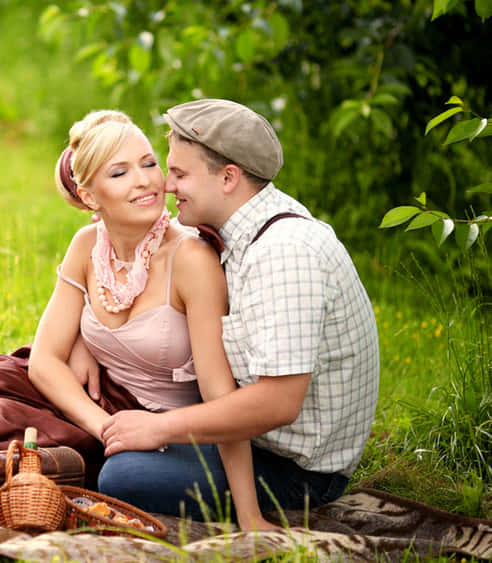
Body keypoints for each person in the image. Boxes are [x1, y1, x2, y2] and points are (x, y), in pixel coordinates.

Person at [93, 98, 380, 521]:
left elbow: (277, 405)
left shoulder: (285, 252)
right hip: (253, 438)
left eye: (180, 174)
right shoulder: (239, 232)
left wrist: (158, 428)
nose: (168, 186)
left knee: (122, 475)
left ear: (228, 178)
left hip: (297, 472)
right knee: (107, 438)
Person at [27, 109, 274, 530]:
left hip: (168, 427)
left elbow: (219, 393)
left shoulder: (191, 258)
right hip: (101, 411)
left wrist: (250, 515)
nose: (144, 180)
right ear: (90, 197)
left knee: (120, 477)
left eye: (149, 164)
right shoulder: (87, 244)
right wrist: (103, 425)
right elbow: (43, 360)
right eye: (120, 172)